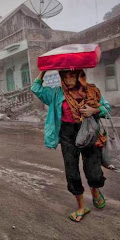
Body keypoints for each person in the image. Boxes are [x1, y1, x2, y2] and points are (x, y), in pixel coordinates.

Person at [31, 70, 111, 222]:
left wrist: (93, 110)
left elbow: (107, 109)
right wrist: (43, 71)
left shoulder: (91, 90)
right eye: (65, 76)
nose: (68, 80)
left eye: (72, 76)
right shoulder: (56, 93)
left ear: (79, 76)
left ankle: (95, 191)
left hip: (89, 132)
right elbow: (36, 89)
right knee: (72, 171)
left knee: (93, 170)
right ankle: (81, 206)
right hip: (67, 134)